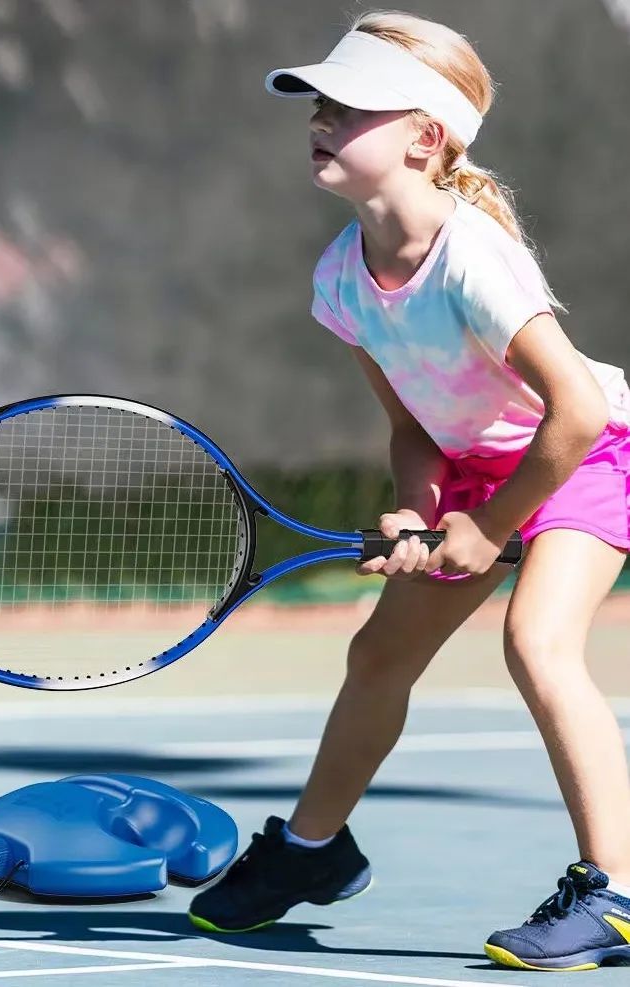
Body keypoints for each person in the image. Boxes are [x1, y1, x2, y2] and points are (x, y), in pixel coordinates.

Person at [189, 9, 630, 971]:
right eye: (319, 104)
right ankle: (313, 851)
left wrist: (486, 526)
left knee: (536, 640)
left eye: (348, 106)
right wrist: (417, 511)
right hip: (480, 469)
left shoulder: (473, 256)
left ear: (426, 138)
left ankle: (617, 895)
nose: (320, 117)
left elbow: (577, 413)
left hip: (586, 452)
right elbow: (412, 430)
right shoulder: (340, 277)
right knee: (378, 654)